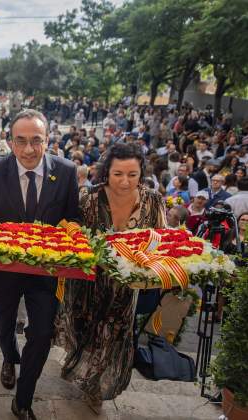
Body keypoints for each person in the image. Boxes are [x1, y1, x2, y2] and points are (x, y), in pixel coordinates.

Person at [0, 109, 79, 420]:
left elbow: (73, 218)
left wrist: (61, 240)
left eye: (36, 141)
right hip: (3, 273)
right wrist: (2, 245)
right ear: (10, 142)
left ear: (47, 140)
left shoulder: (67, 171)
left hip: (46, 274)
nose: (29, 149)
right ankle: (9, 356)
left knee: (43, 333)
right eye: (21, 141)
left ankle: (23, 400)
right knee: (3, 324)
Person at [56, 143, 167, 413]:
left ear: (142, 172)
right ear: (107, 172)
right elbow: (71, 232)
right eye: (118, 174)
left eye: (132, 174)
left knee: (114, 335)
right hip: (86, 282)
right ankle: (83, 371)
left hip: (126, 286)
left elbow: (161, 240)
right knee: (85, 332)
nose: (125, 181)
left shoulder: (153, 201)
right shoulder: (89, 198)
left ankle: (97, 389)